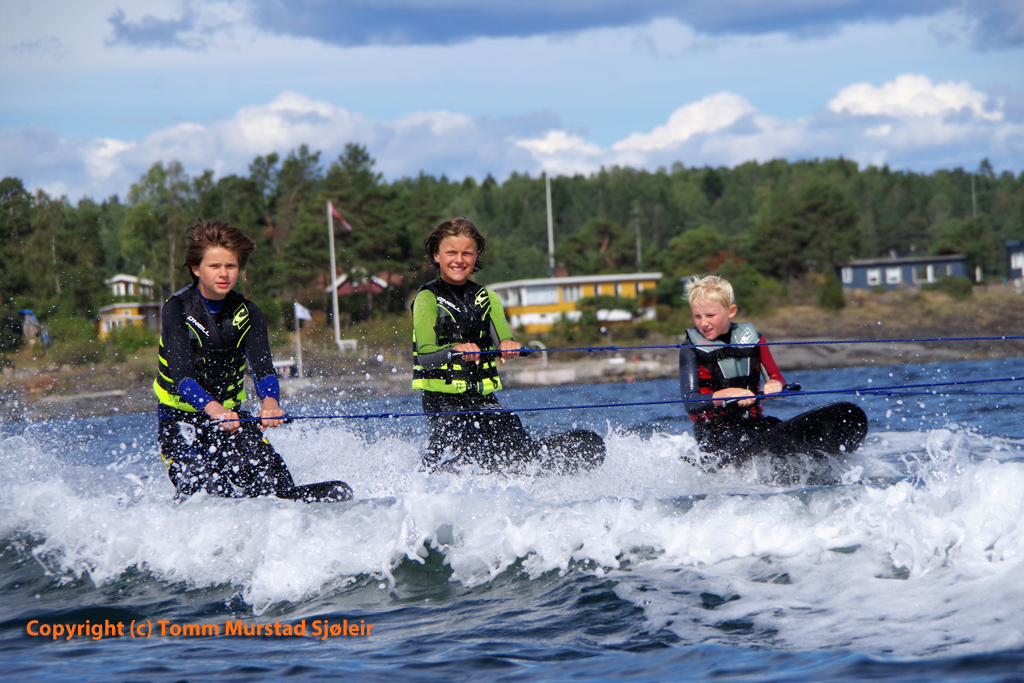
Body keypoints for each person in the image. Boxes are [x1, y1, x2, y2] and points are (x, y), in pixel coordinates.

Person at [154, 218, 351, 502]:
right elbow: (182, 376)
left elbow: (263, 368)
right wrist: (215, 410)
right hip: (180, 419)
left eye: (231, 266)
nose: (224, 274)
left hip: (232, 418)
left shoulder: (248, 313)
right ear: (196, 269)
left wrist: (270, 403)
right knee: (205, 491)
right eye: (214, 266)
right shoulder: (177, 309)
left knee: (276, 486)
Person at [412, 218, 604, 474]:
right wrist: (455, 350)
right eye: (451, 253)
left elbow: (503, 338)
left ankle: (530, 468)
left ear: (476, 255)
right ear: (436, 256)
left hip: (482, 399)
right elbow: (425, 357)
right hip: (443, 404)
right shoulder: (427, 298)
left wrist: (508, 344)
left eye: (467, 253)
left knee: (510, 426)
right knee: (470, 439)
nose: (459, 260)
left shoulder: (487, 298)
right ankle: (438, 476)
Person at [678, 275, 787, 461]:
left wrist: (774, 384)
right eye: (697, 316)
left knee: (783, 434)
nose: (703, 323)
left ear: (731, 311)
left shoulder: (754, 338)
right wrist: (728, 393)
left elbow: (777, 378)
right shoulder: (690, 349)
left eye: (710, 315)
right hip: (713, 431)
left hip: (753, 423)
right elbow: (691, 403)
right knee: (742, 440)